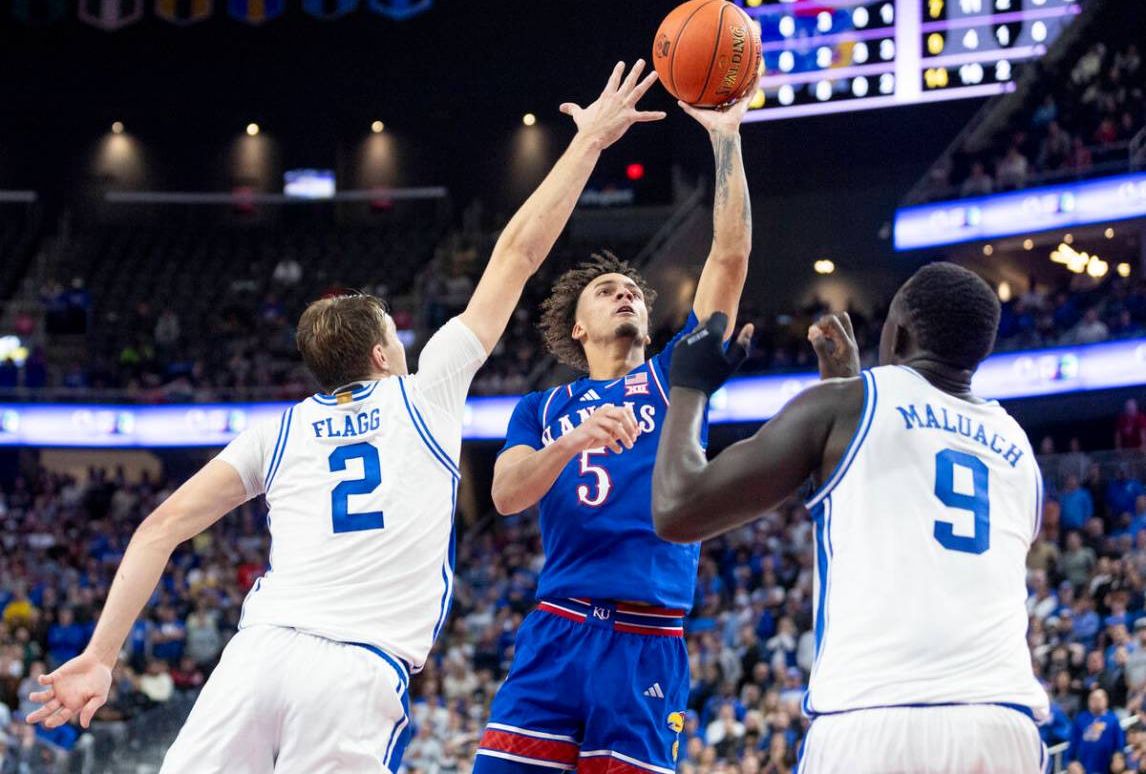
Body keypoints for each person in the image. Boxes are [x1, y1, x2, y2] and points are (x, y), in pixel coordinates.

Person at [25, 60, 667, 774]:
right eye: (397, 333)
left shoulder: (277, 431)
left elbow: (159, 527)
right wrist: (588, 145)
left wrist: (99, 655)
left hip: (256, 657)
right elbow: (517, 253)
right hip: (353, 670)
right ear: (382, 352)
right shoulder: (426, 392)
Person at [652, 263, 1049, 771]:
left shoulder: (851, 404)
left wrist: (689, 387)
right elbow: (917, 498)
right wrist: (848, 389)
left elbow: (677, 509)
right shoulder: (1016, 446)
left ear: (897, 333)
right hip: (1005, 727)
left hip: (876, 719)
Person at [473, 88, 754, 774]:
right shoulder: (541, 409)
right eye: (607, 291)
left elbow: (728, 258)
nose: (625, 292)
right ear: (577, 328)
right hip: (557, 629)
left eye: (632, 289)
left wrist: (725, 137)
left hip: (647, 637)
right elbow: (507, 495)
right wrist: (572, 440)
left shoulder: (673, 378)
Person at [1070, 689, 1124, 774]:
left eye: (1099, 699)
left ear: (1106, 700)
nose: (1095, 702)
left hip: (1106, 766)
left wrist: (1118, 757)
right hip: (1083, 766)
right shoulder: (1081, 718)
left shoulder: (1113, 719)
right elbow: (1072, 743)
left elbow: (1119, 744)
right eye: (1093, 699)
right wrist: (1071, 763)